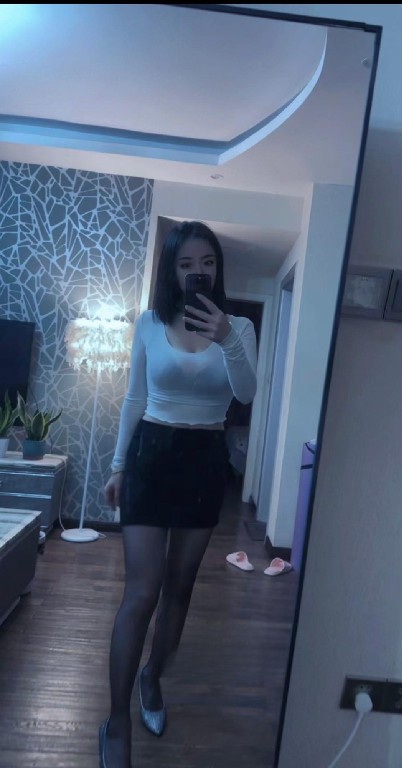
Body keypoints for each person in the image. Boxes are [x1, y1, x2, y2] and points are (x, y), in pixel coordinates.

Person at [99, 220, 257, 768]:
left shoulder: (238, 327)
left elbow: (246, 393)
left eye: (207, 263)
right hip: (151, 457)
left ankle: (153, 676)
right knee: (141, 592)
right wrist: (118, 466)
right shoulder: (148, 323)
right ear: (171, 269)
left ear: (218, 269)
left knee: (179, 590)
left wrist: (227, 337)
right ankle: (118, 721)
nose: (197, 272)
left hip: (204, 462)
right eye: (186, 263)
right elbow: (134, 398)